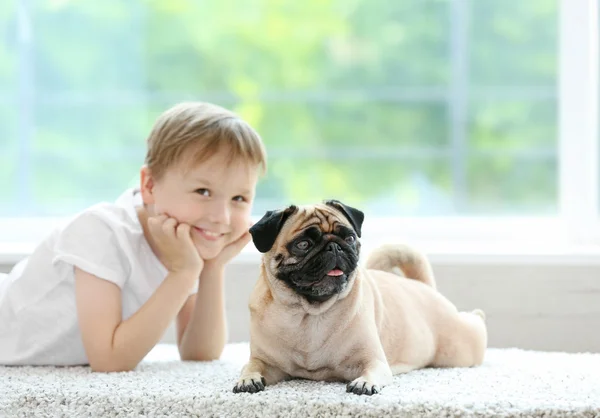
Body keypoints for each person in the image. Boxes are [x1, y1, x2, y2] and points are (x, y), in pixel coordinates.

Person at [0, 102, 267, 371]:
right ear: (150, 185)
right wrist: (183, 273)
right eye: (203, 192)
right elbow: (108, 360)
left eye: (239, 198)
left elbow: (200, 353)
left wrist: (211, 268)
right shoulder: (101, 231)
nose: (221, 216)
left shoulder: (181, 243)